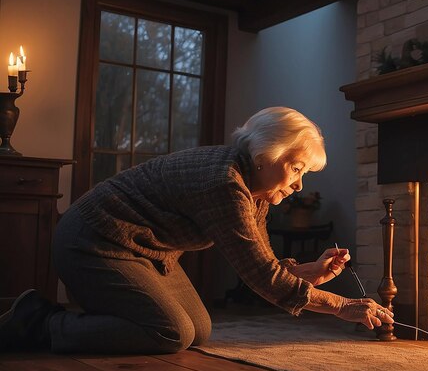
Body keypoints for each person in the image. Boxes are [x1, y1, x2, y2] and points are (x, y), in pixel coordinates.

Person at [0, 106, 394, 354]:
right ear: (266, 154)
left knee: (198, 331)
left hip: (148, 252)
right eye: (296, 168)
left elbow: (263, 264)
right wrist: (341, 306)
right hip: (94, 241)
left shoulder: (252, 188)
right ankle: (37, 319)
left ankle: (107, 316)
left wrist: (311, 271)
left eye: (304, 173)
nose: (299, 185)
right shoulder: (224, 183)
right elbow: (261, 276)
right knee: (169, 332)